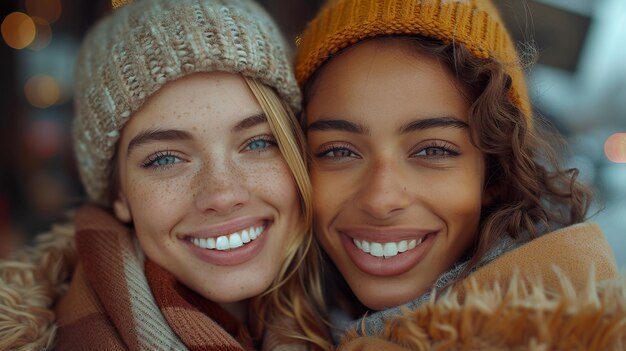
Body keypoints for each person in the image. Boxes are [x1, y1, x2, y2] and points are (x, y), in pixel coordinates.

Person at [0, 0, 332, 350]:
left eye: (258, 143)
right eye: (165, 159)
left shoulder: (363, 322)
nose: (222, 194)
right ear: (118, 195)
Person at [294, 0, 623, 348]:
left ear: (495, 174)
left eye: (433, 150)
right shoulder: (280, 320)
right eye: (339, 151)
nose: (380, 200)